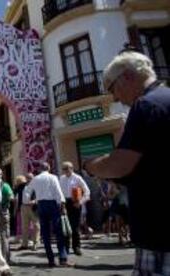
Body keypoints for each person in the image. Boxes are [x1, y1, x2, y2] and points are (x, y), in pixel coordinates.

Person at [84, 51, 170, 275]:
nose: (114, 98)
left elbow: (120, 165)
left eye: (112, 88)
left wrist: (91, 166)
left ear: (128, 77)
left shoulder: (144, 105)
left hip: (160, 233)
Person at [30, 162, 73, 267]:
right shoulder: (53, 177)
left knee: (45, 233)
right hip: (52, 204)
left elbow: (28, 192)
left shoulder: (35, 179)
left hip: (41, 205)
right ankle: (63, 258)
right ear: (48, 168)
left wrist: (34, 201)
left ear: (40, 169)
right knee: (58, 231)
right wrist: (62, 204)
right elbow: (58, 192)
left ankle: (51, 260)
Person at [59, 161, 90, 255]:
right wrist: (60, 203)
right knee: (65, 226)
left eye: (67, 168)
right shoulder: (61, 178)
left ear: (71, 168)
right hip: (65, 203)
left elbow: (87, 191)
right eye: (63, 169)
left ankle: (76, 247)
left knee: (75, 226)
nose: (65, 170)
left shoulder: (77, 178)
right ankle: (66, 247)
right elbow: (59, 192)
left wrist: (80, 202)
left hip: (75, 203)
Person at [0, 168, 14, 263]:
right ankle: (5, 258)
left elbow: (11, 196)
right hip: (2, 211)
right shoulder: (5, 185)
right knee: (3, 235)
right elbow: (11, 197)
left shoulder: (2, 186)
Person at [20, 174, 40, 251]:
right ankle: (24, 244)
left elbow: (40, 195)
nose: (28, 179)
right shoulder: (22, 186)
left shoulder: (37, 186)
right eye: (27, 177)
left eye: (30, 177)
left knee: (36, 226)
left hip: (33, 207)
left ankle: (36, 243)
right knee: (24, 226)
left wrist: (35, 201)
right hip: (24, 207)